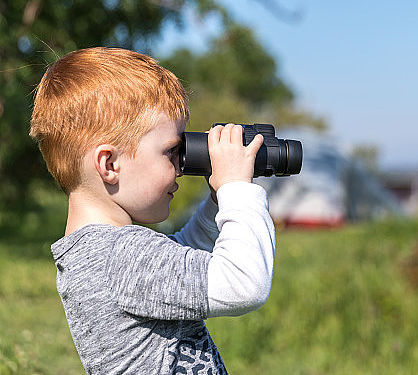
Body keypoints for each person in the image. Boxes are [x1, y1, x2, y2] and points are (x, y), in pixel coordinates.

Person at [29, 47, 275, 374]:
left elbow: (182, 259)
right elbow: (244, 284)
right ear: (109, 164)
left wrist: (217, 199)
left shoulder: (102, 254)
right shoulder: (119, 256)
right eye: (170, 151)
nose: (181, 166)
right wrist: (237, 189)